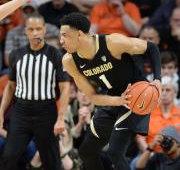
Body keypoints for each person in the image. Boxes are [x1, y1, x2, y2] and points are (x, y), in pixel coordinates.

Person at [59, 12, 161, 170]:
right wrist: (117, 100)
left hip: (136, 95)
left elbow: (151, 48)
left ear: (79, 34)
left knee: (115, 152)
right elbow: (92, 96)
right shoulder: (69, 60)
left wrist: (157, 80)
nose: (61, 41)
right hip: (113, 97)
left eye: (65, 35)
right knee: (86, 152)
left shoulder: (113, 42)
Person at [0, 14, 70, 170]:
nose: (35, 33)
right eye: (31, 29)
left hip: (46, 111)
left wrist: (61, 118)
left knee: (52, 162)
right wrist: (0, 113)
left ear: (44, 30)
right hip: (21, 111)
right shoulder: (15, 55)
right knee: (8, 157)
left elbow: (65, 88)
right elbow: (10, 87)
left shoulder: (56, 55)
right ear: (26, 32)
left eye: (38, 29)